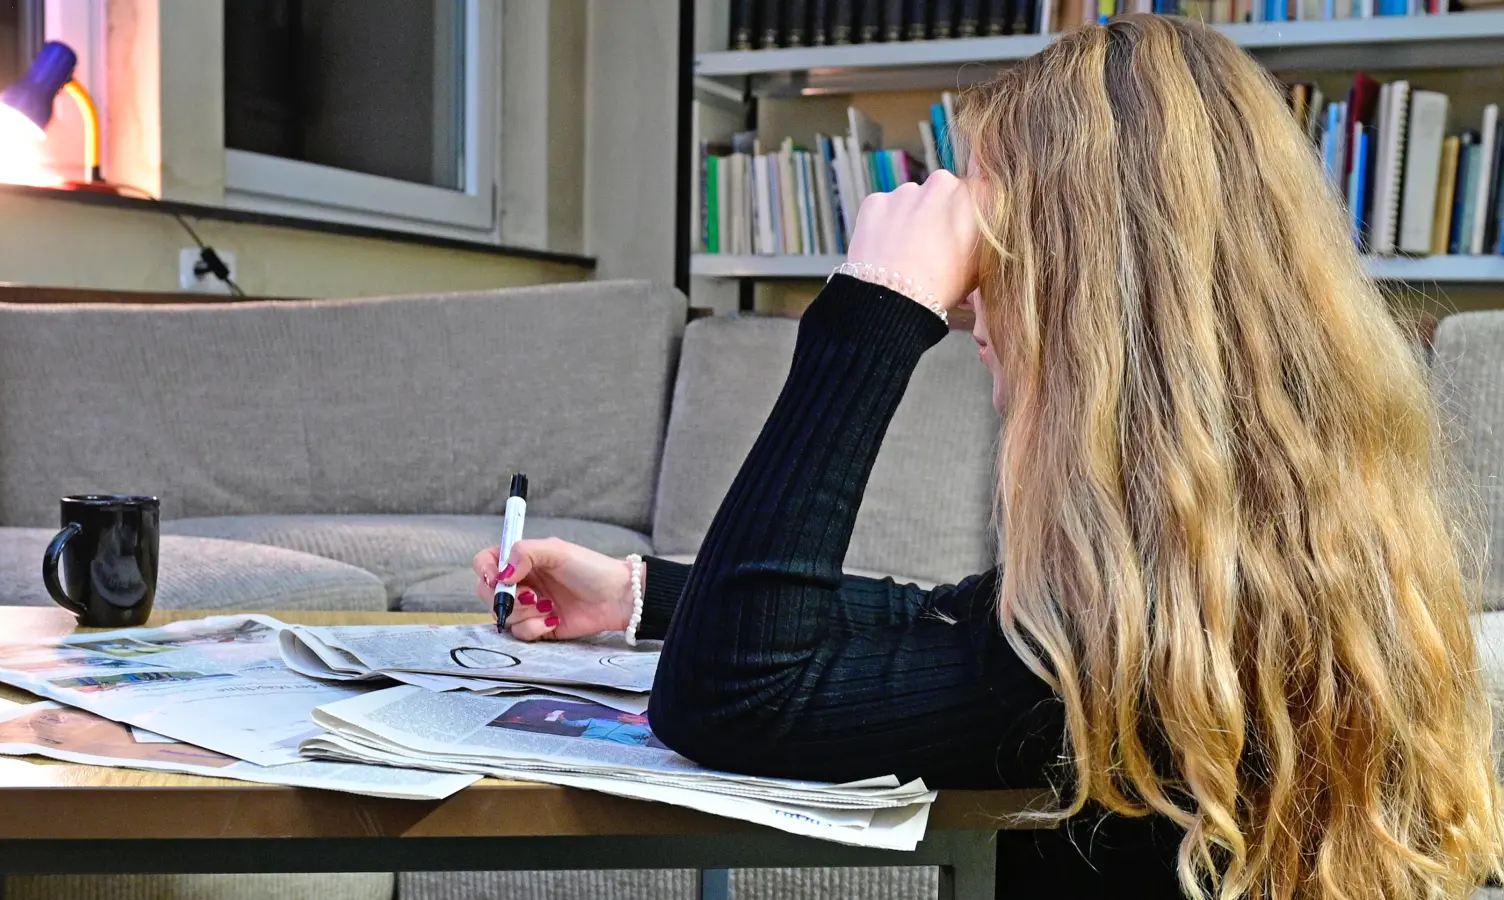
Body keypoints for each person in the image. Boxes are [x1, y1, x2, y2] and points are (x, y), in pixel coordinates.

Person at [472, 16, 1503, 899]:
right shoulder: (1241, 568)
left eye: (992, 257)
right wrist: (643, 596)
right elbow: (958, 620)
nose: (971, 305)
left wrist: (871, 315)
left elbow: (734, 701)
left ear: (1088, 292)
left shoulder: (1115, 653)